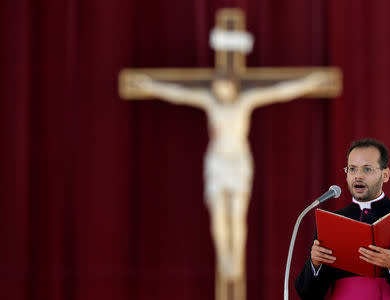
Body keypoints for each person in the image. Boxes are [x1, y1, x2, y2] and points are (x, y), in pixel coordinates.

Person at [121, 70, 335, 300]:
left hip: (238, 164)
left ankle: (237, 259)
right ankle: (225, 257)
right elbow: (178, 94)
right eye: (217, 87)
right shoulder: (209, 102)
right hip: (217, 164)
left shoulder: (245, 102)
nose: (219, 90)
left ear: (233, 86)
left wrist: (308, 83)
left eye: (223, 86)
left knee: (237, 215)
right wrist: (150, 86)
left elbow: (279, 92)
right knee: (219, 215)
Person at [295, 138, 390, 299]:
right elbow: (307, 293)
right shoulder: (331, 221)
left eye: (367, 169)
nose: (358, 176)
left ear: (385, 175)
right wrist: (315, 264)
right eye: (352, 169)